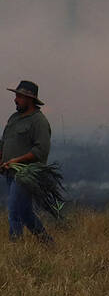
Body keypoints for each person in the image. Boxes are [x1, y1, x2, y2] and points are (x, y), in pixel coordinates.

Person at [1, 80, 53, 244]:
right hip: (10, 172)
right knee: (25, 213)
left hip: (27, 174)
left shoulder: (39, 121)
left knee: (14, 210)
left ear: (30, 99)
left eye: (19, 96)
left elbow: (41, 151)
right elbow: (5, 142)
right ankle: (48, 243)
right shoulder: (14, 118)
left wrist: (17, 160)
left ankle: (15, 248)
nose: (15, 99)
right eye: (16, 96)